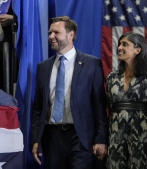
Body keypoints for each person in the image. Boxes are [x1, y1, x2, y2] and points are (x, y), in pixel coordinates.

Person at [31, 16, 108, 169]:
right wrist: (35, 139)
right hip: (52, 137)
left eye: (56, 33)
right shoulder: (43, 67)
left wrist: (101, 138)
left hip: (80, 137)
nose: (51, 36)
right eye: (49, 33)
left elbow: (99, 106)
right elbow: (38, 108)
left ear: (70, 35)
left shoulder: (91, 64)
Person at [105, 32, 147, 169]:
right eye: (119, 44)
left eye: (125, 44)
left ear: (137, 50)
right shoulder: (112, 78)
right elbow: (108, 111)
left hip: (144, 142)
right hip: (116, 142)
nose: (119, 47)